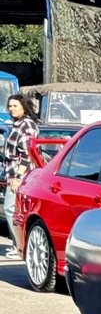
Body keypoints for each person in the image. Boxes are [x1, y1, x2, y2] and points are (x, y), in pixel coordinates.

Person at [2, 94, 40, 258]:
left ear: (24, 106)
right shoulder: (17, 124)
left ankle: (20, 247)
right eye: (10, 106)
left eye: (15, 106)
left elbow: (26, 155)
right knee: (13, 209)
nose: (12, 109)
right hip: (11, 173)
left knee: (11, 209)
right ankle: (17, 245)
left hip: (21, 174)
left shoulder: (27, 125)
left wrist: (18, 177)